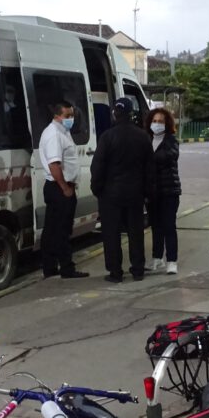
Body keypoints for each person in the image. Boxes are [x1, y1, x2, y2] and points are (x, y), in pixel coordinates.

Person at [91, 97, 154, 282]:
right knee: (136, 233)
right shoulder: (142, 136)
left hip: (111, 194)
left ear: (115, 113)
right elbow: (150, 168)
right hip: (135, 194)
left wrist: (97, 189)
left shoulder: (107, 137)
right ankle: (138, 270)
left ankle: (115, 272)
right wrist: (148, 192)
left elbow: (97, 167)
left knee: (111, 234)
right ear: (131, 113)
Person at [39, 100, 89, 279]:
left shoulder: (63, 131)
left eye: (72, 115)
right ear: (57, 115)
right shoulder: (54, 134)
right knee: (61, 230)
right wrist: (64, 188)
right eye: (67, 116)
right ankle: (66, 267)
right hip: (59, 187)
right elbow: (54, 164)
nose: (71, 119)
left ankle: (50, 266)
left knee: (53, 229)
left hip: (60, 186)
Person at [144, 107, 182, 274]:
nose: (157, 124)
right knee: (156, 226)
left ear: (166, 124)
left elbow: (169, 156)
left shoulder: (171, 140)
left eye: (160, 121)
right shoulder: (146, 140)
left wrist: (148, 158)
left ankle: (172, 260)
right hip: (153, 192)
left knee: (168, 226)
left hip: (169, 191)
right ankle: (157, 258)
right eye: (154, 121)